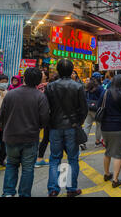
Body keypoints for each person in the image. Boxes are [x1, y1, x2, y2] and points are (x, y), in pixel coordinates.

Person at [0, 68, 50, 197]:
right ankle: (24, 194)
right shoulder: (40, 97)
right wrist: (36, 127)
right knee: (27, 169)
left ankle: (8, 193)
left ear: (24, 78)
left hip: (11, 137)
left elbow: (2, 117)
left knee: (11, 164)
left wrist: (8, 128)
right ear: (39, 81)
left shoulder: (10, 94)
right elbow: (44, 119)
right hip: (30, 138)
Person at [44, 59, 88, 197]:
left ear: (58, 70)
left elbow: (46, 108)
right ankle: (71, 188)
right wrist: (78, 122)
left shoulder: (50, 87)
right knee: (73, 158)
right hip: (72, 127)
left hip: (55, 127)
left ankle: (53, 189)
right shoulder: (78, 86)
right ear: (71, 70)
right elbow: (84, 109)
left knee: (55, 158)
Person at [97, 74, 121, 188]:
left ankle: (106, 174)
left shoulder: (105, 92)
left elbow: (98, 105)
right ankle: (115, 180)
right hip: (119, 127)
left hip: (105, 127)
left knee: (108, 151)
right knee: (117, 153)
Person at [82, 74, 104, 150]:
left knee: (87, 125)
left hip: (88, 108)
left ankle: (83, 142)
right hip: (96, 109)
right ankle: (97, 142)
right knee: (99, 125)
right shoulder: (100, 88)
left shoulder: (87, 86)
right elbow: (102, 97)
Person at [35, 70, 50, 168]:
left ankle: (38, 158)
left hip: (44, 114)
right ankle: (38, 158)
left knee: (46, 136)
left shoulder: (48, 86)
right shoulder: (35, 86)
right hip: (36, 115)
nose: (41, 74)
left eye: (43, 73)